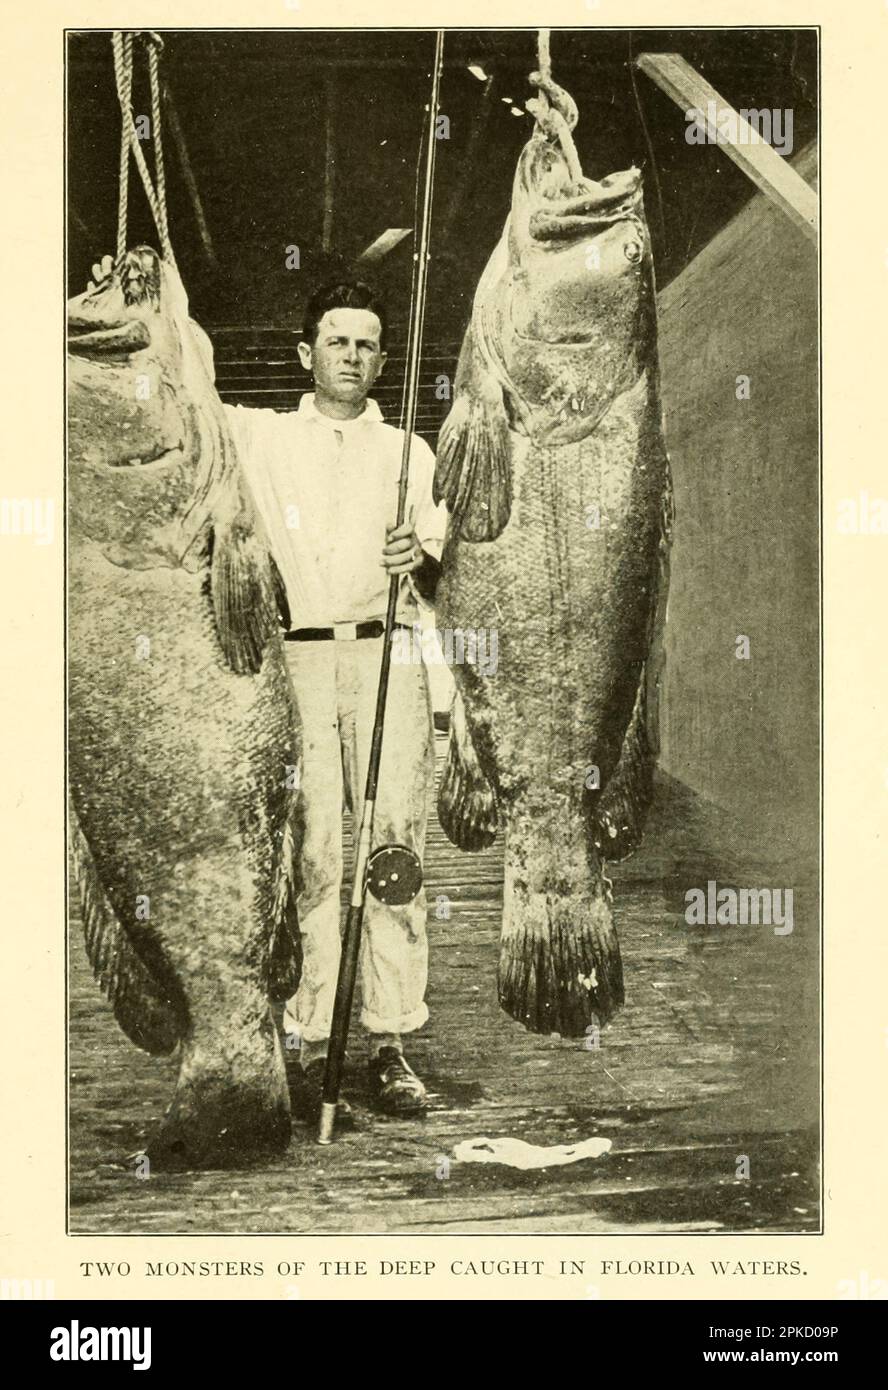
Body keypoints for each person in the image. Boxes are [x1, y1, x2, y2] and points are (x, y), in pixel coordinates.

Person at [223, 278, 447, 1120]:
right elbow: (178, 391)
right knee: (311, 853)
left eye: (366, 345)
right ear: (304, 352)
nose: (352, 357)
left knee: (393, 854)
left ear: (384, 359)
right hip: (301, 663)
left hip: (389, 655)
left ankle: (390, 1042)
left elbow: (443, 570)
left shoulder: (410, 457)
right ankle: (309, 1037)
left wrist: (413, 561)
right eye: (337, 341)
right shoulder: (264, 439)